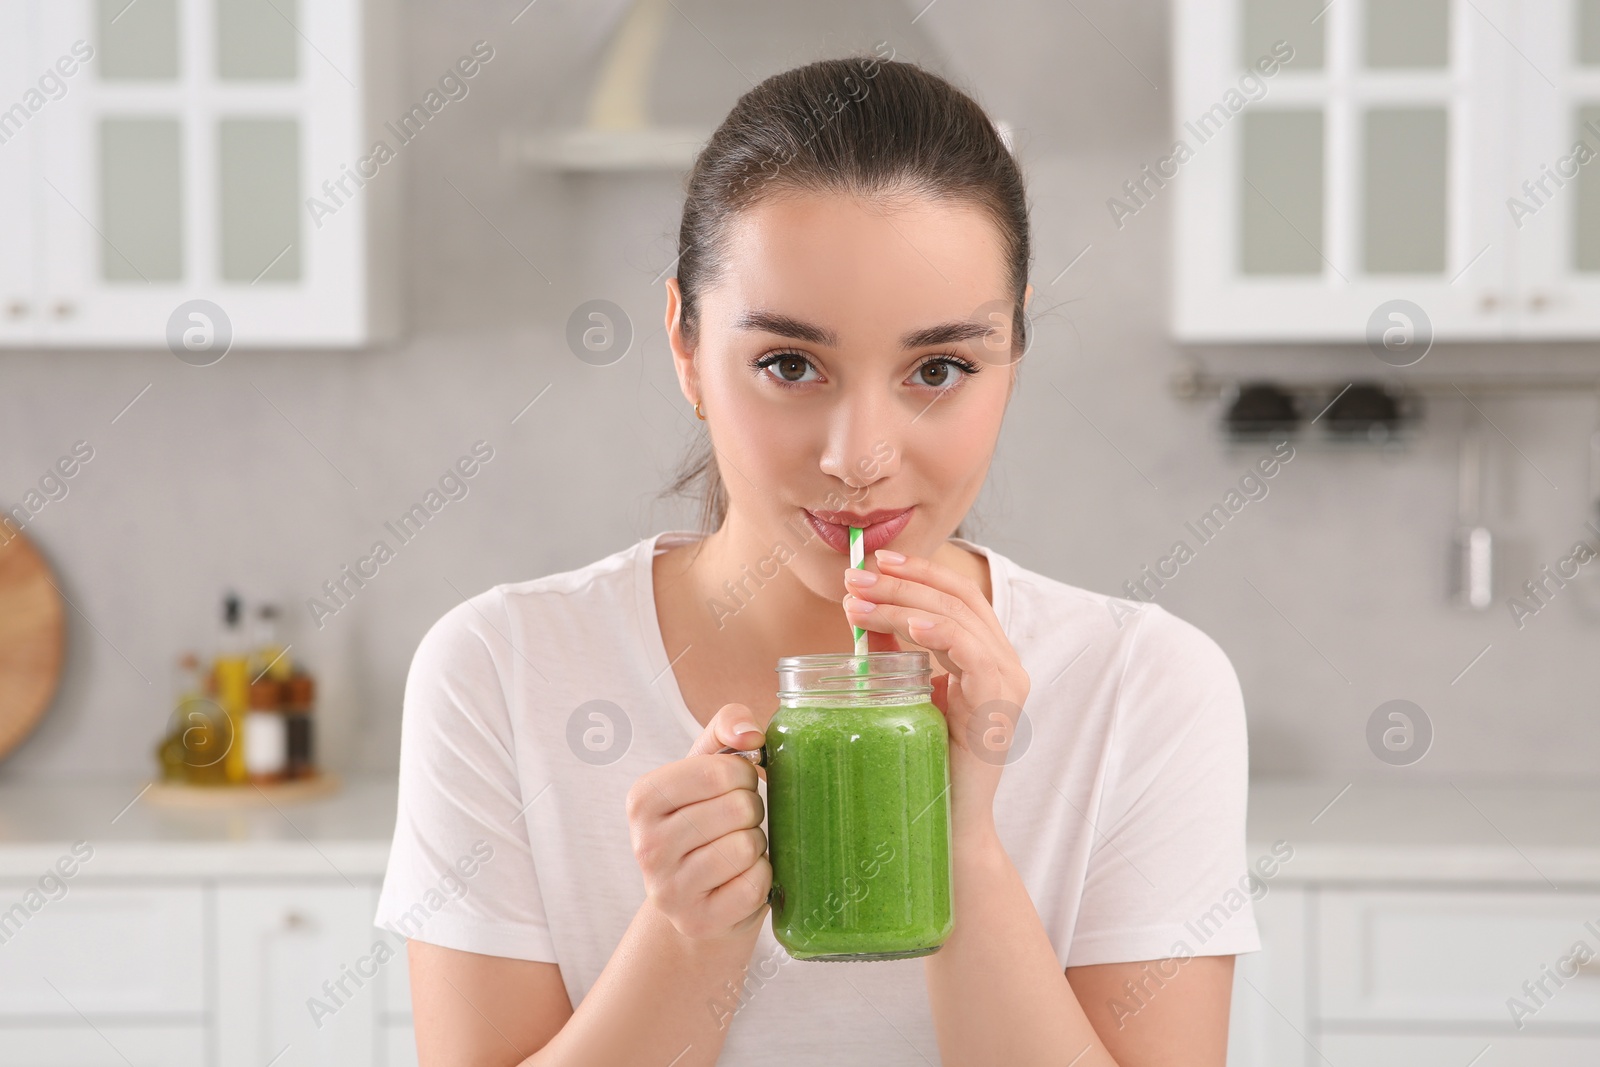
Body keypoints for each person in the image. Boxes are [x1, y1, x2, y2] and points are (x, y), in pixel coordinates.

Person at [376, 53, 1257, 1067]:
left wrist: (959, 840)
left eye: (940, 368)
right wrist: (687, 937)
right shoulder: (499, 669)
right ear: (684, 345)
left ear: (1012, 356)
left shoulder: (1147, 686)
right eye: (789, 364)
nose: (857, 457)